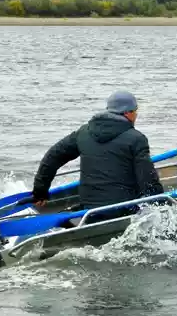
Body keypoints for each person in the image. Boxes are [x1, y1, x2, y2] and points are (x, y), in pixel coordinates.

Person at [31, 90, 165, 220]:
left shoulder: (83, 132)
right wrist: (162, 204)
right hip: (123, 210)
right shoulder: (137, 139)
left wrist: (40, 192)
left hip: (90, 211)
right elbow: (148, 180)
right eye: (136, 111)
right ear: (128, 113)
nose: (136, 115)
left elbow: (53, 157)